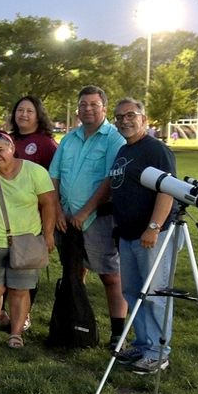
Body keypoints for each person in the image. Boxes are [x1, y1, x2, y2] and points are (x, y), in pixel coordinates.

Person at [50, 85, 126, 349]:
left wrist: (85, 212)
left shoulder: (113, 139)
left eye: (94, 104)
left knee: (110, 275)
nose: (88, 109)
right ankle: (76, 323)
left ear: (104, 107)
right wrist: (58, 210)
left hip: (97, 219)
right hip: (66, 219)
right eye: (83, 104)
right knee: (74, 272)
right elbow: (55, 176)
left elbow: (109, 181)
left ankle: (118, 333)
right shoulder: (70, 139)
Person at [109, 98, 179, 375]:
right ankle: (143, 343)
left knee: (155, 293)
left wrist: (154, 227)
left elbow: (168, 189)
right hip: (127, 235)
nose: (124, 120)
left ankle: (159, 352)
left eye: (130, 115)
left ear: (144, 119)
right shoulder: (125, 150)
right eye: (119, 117)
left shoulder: (155, 149)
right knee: (133, 292)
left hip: (151, 235)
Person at [0, 131, 57, 349]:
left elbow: (49, 204)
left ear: (11, 148)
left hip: (26, 241)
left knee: (19, 290)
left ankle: (16, 333)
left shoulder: (35, 172)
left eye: (0, 150)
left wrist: (48, 234)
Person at [10, 95, 58, 169]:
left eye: (29, 111)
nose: (24, 114)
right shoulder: (7, 139)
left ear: (38, 116)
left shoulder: (46, 143)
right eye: (20, 110)